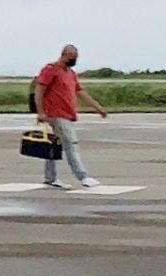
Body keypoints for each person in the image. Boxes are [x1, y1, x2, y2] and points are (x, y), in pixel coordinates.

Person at [31, 42, 108, 190]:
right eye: (72, 57)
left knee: (53, 147)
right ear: (64, 55)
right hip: (55, 115)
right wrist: (40, 111)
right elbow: (39, 91)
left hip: (67, 114)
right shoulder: (51, 70)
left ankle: (50, 178)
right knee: (71, 145)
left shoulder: (70, 74)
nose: (74, 60)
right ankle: (83, 176)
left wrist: (97, 108)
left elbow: (80, 92)